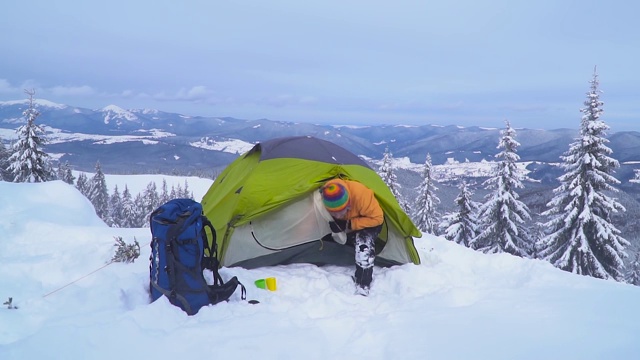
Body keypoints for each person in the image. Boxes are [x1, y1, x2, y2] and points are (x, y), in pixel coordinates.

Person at [320, 178, 384, 296]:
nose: (339, 215)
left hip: (369, 222)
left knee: (363, 244)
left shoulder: (361, 195)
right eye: (334, 213)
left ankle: (363, 284)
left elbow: (378, 218)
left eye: (342, 211)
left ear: (348, 203)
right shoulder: (323, 197)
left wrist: (349, 224)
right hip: (347, 225)